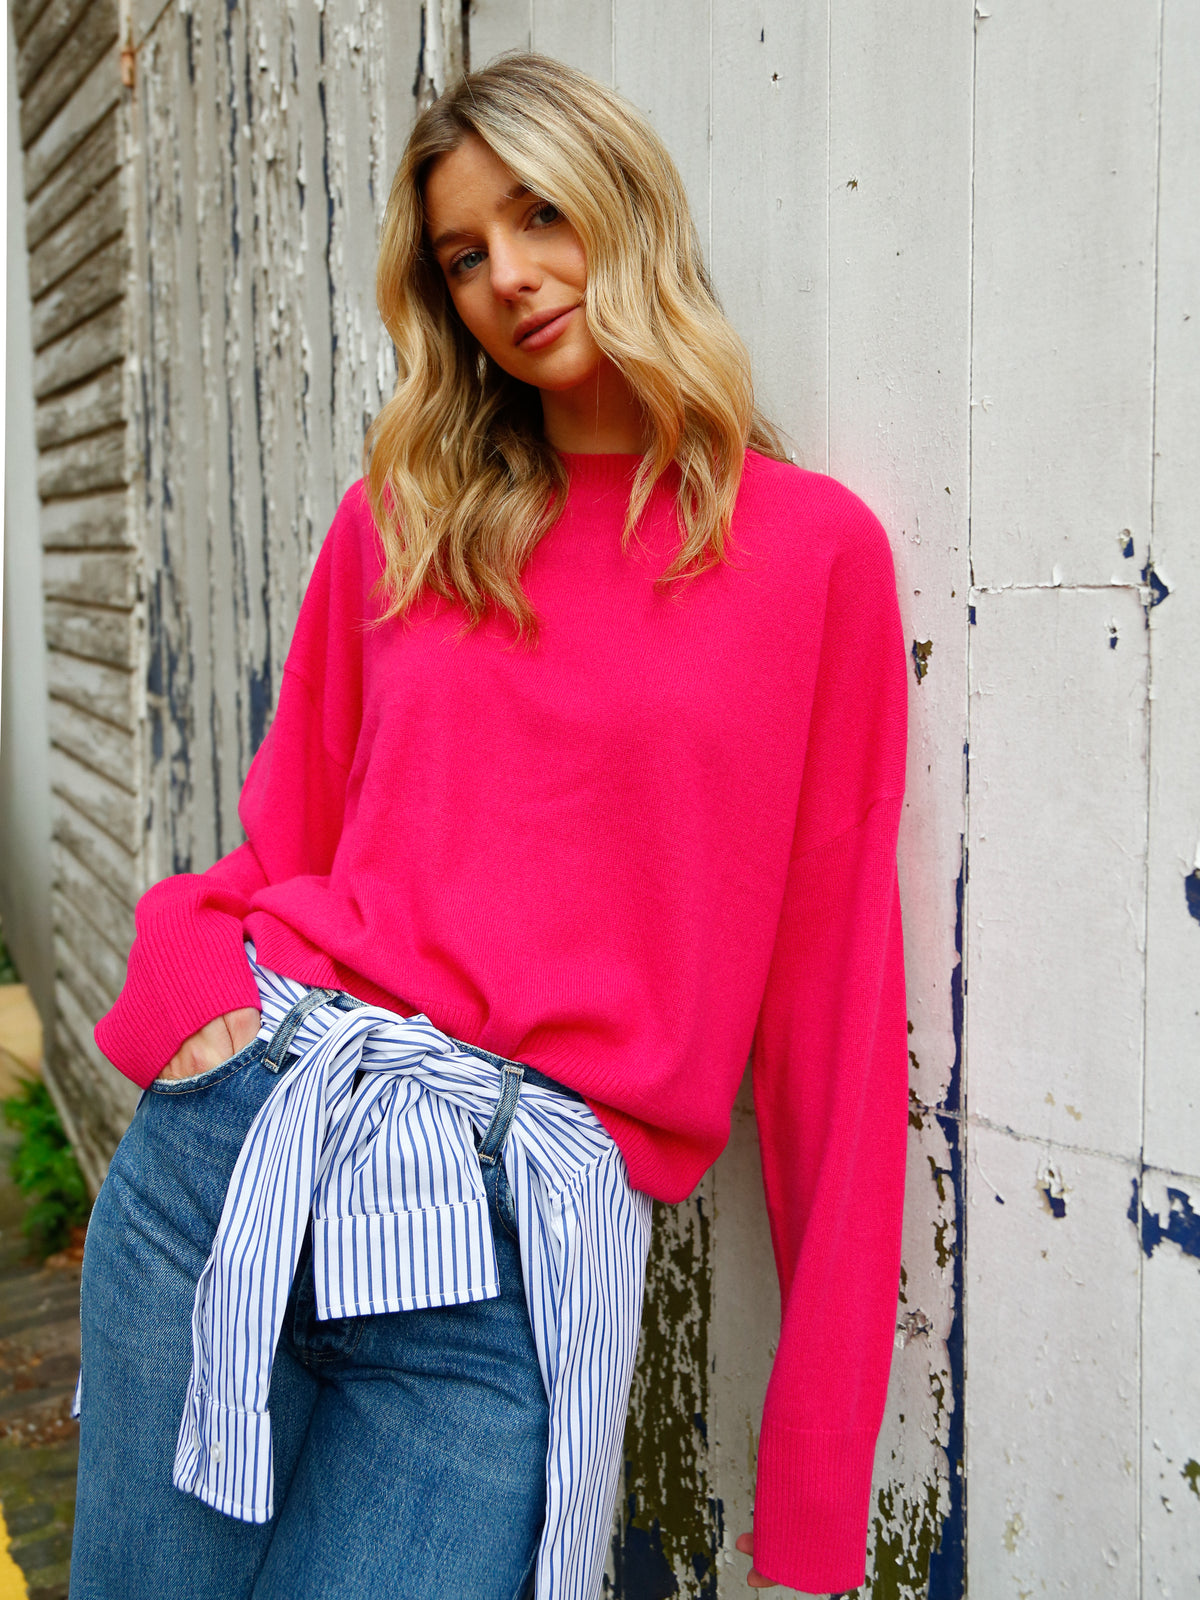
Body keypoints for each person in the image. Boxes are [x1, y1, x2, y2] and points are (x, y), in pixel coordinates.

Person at [69, 51, 909, 1600]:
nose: (510, 276)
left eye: (538, 215)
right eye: (465, 254)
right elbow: (283, 854)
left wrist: (811, 1508)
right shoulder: (403, 519)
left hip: (505, 1266)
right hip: (242, 1164)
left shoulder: (814, 561)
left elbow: (833, 1032)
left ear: (627, 206)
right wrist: (191, 997)